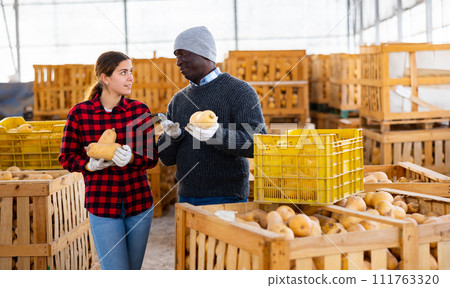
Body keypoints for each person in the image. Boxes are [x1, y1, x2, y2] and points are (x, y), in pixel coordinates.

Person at [59, 51, 158, 270]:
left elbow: (152, 157)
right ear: (105, 78)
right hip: (103, 205)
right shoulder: (79, 113)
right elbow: (66, 157)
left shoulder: (139, 111)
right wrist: (88, 165)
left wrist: (131, 158)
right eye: (123, 72)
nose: (130, 77)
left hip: (139, 203)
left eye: (131, 72)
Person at [157, 26, 266, 206]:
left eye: (183, 54)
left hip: (227, 197)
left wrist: (217, 134)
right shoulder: (178, 100)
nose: (178, 62)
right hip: (186, 196)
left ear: (204, 53)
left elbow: (258, 143)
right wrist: (171, 138)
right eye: (177, 56)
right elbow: (166, 159)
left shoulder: (240, 92)